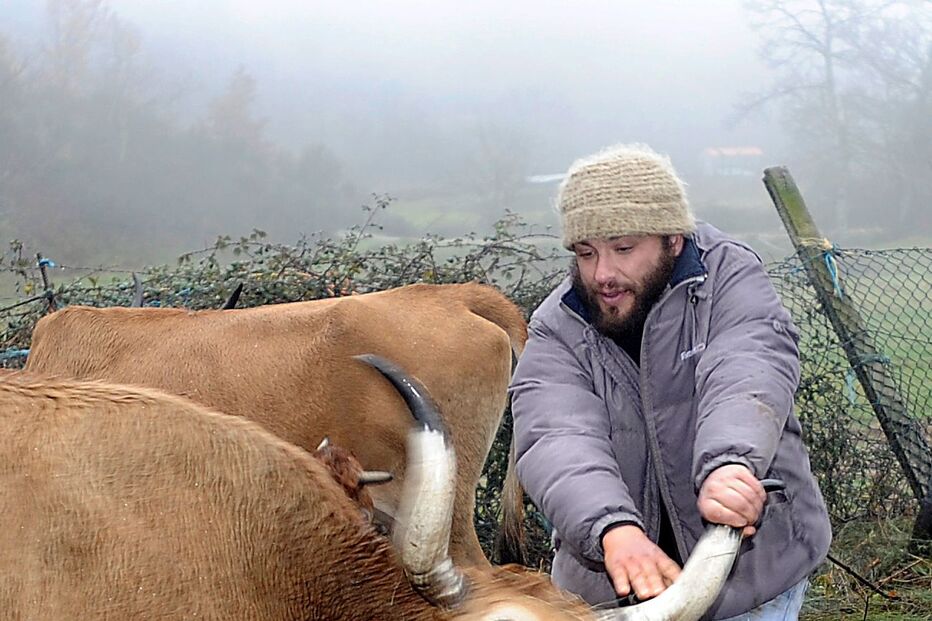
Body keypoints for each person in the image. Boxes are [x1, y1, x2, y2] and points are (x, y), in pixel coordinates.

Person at [509, 143, 831, 620]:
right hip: (610, 591)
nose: (603, 274)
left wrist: (729, 466)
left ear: (673, 240)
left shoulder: (729, 277)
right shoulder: (558, 325)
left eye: (623, 248)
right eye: (585, 252)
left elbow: (747, 367)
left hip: (745, 581)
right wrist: (612, 531)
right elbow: (557, 434)